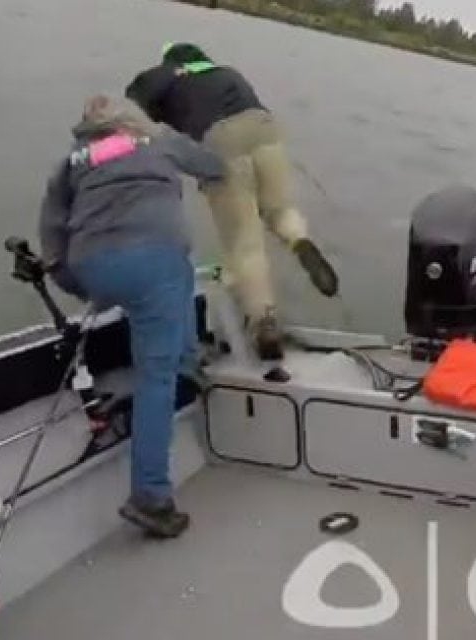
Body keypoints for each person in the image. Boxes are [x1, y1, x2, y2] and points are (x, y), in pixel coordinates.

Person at [39, 95, 225, 538]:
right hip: (153, 263)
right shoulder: (153, 139)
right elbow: (214, 165)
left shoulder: (71, 161)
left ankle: (183, 361)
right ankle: (151, 498)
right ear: (130, 121)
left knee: (174, 277)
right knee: (154, 376)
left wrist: (76, 283)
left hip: (93, 268)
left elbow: (51, 232)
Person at [126, 42, 338, 361]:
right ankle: (299, 239)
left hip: (221, 139)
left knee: (245, 244)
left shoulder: (171, 75)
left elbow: (135, 93)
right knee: (279, 210)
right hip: (265, 127)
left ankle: (263, 322)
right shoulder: (227, 73)